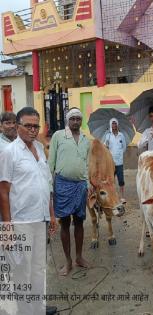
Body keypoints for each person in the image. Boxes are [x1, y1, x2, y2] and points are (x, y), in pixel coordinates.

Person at [0, 107, 57, 315]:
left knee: (39, 269)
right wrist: (7, 228)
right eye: (28, 126)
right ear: (17, 126)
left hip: (40, 220)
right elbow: (3, 191)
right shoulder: (9, 153)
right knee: (22, 272)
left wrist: (51, 215)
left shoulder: (40, 149)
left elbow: (46, 183)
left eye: (36, 126)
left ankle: (38, 309)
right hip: (20, 223)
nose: (33, 130)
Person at [48, 107, 91, 276]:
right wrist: (50, 186)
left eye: (78, 119)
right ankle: (67, 261)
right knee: (64, 223)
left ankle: (79, 257)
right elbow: (51, 163)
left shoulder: (86, 139)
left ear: (81, 121)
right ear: (68, 120)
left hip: (80, 185)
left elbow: (85, 164)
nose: (75, 121)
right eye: (72, 119)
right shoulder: (58, 136)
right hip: (62, 185)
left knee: (79, 221)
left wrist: (87, 184)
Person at [103, 118, 127, 202]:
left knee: (121, 180)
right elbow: (105, 147)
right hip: (111, 163)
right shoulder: (108, 136)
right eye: (112, 123)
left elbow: (124, 147)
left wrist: (119, 154)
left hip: (119, 162)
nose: (114, 125)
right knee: (111, 180)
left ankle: (122, 197)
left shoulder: (121, 135)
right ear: (110, 125)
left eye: (115, 123)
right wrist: (107, 146)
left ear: (117, 124)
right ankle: (112, 196)